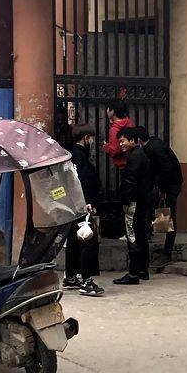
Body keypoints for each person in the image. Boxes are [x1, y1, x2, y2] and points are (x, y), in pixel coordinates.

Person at [63, 123, 104, 296]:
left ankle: (71, 276)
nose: (92, 141)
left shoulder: (70, 155)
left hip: (73, 205)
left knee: (74, 240)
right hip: (82, 205)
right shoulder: (80, 157)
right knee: (88, 240)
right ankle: (87, 280)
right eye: (91, 138)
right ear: (86, 138)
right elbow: (83, 181)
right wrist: (88, 202)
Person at [134, 126, 183, 266]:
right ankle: (158, 243)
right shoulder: (154, 145)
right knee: (163, 214)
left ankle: (167, 252)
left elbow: (166, 168)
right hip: (171, 184)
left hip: (171, 186)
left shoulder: (153, 149)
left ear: (138, 140)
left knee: (169, 217)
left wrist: (163, 189)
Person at [113, 127, 152, 285]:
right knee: (140, 233)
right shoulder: (140, 154)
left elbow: (130, 181)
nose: (121, 144)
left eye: (123, 141)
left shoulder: (135, 157)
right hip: (141, 200)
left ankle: (134, 272)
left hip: (134, 202)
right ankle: (142, 269)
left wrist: (125, 201)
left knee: (132, 234)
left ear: (132, 140)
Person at [102, 100, 134, 169]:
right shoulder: (129, 122)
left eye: (108, 108)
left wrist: (106, 146)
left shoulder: (114, 129)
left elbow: (115, 150)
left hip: (122, 164)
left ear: (112, 112)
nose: (107, 110)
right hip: (131, 159)